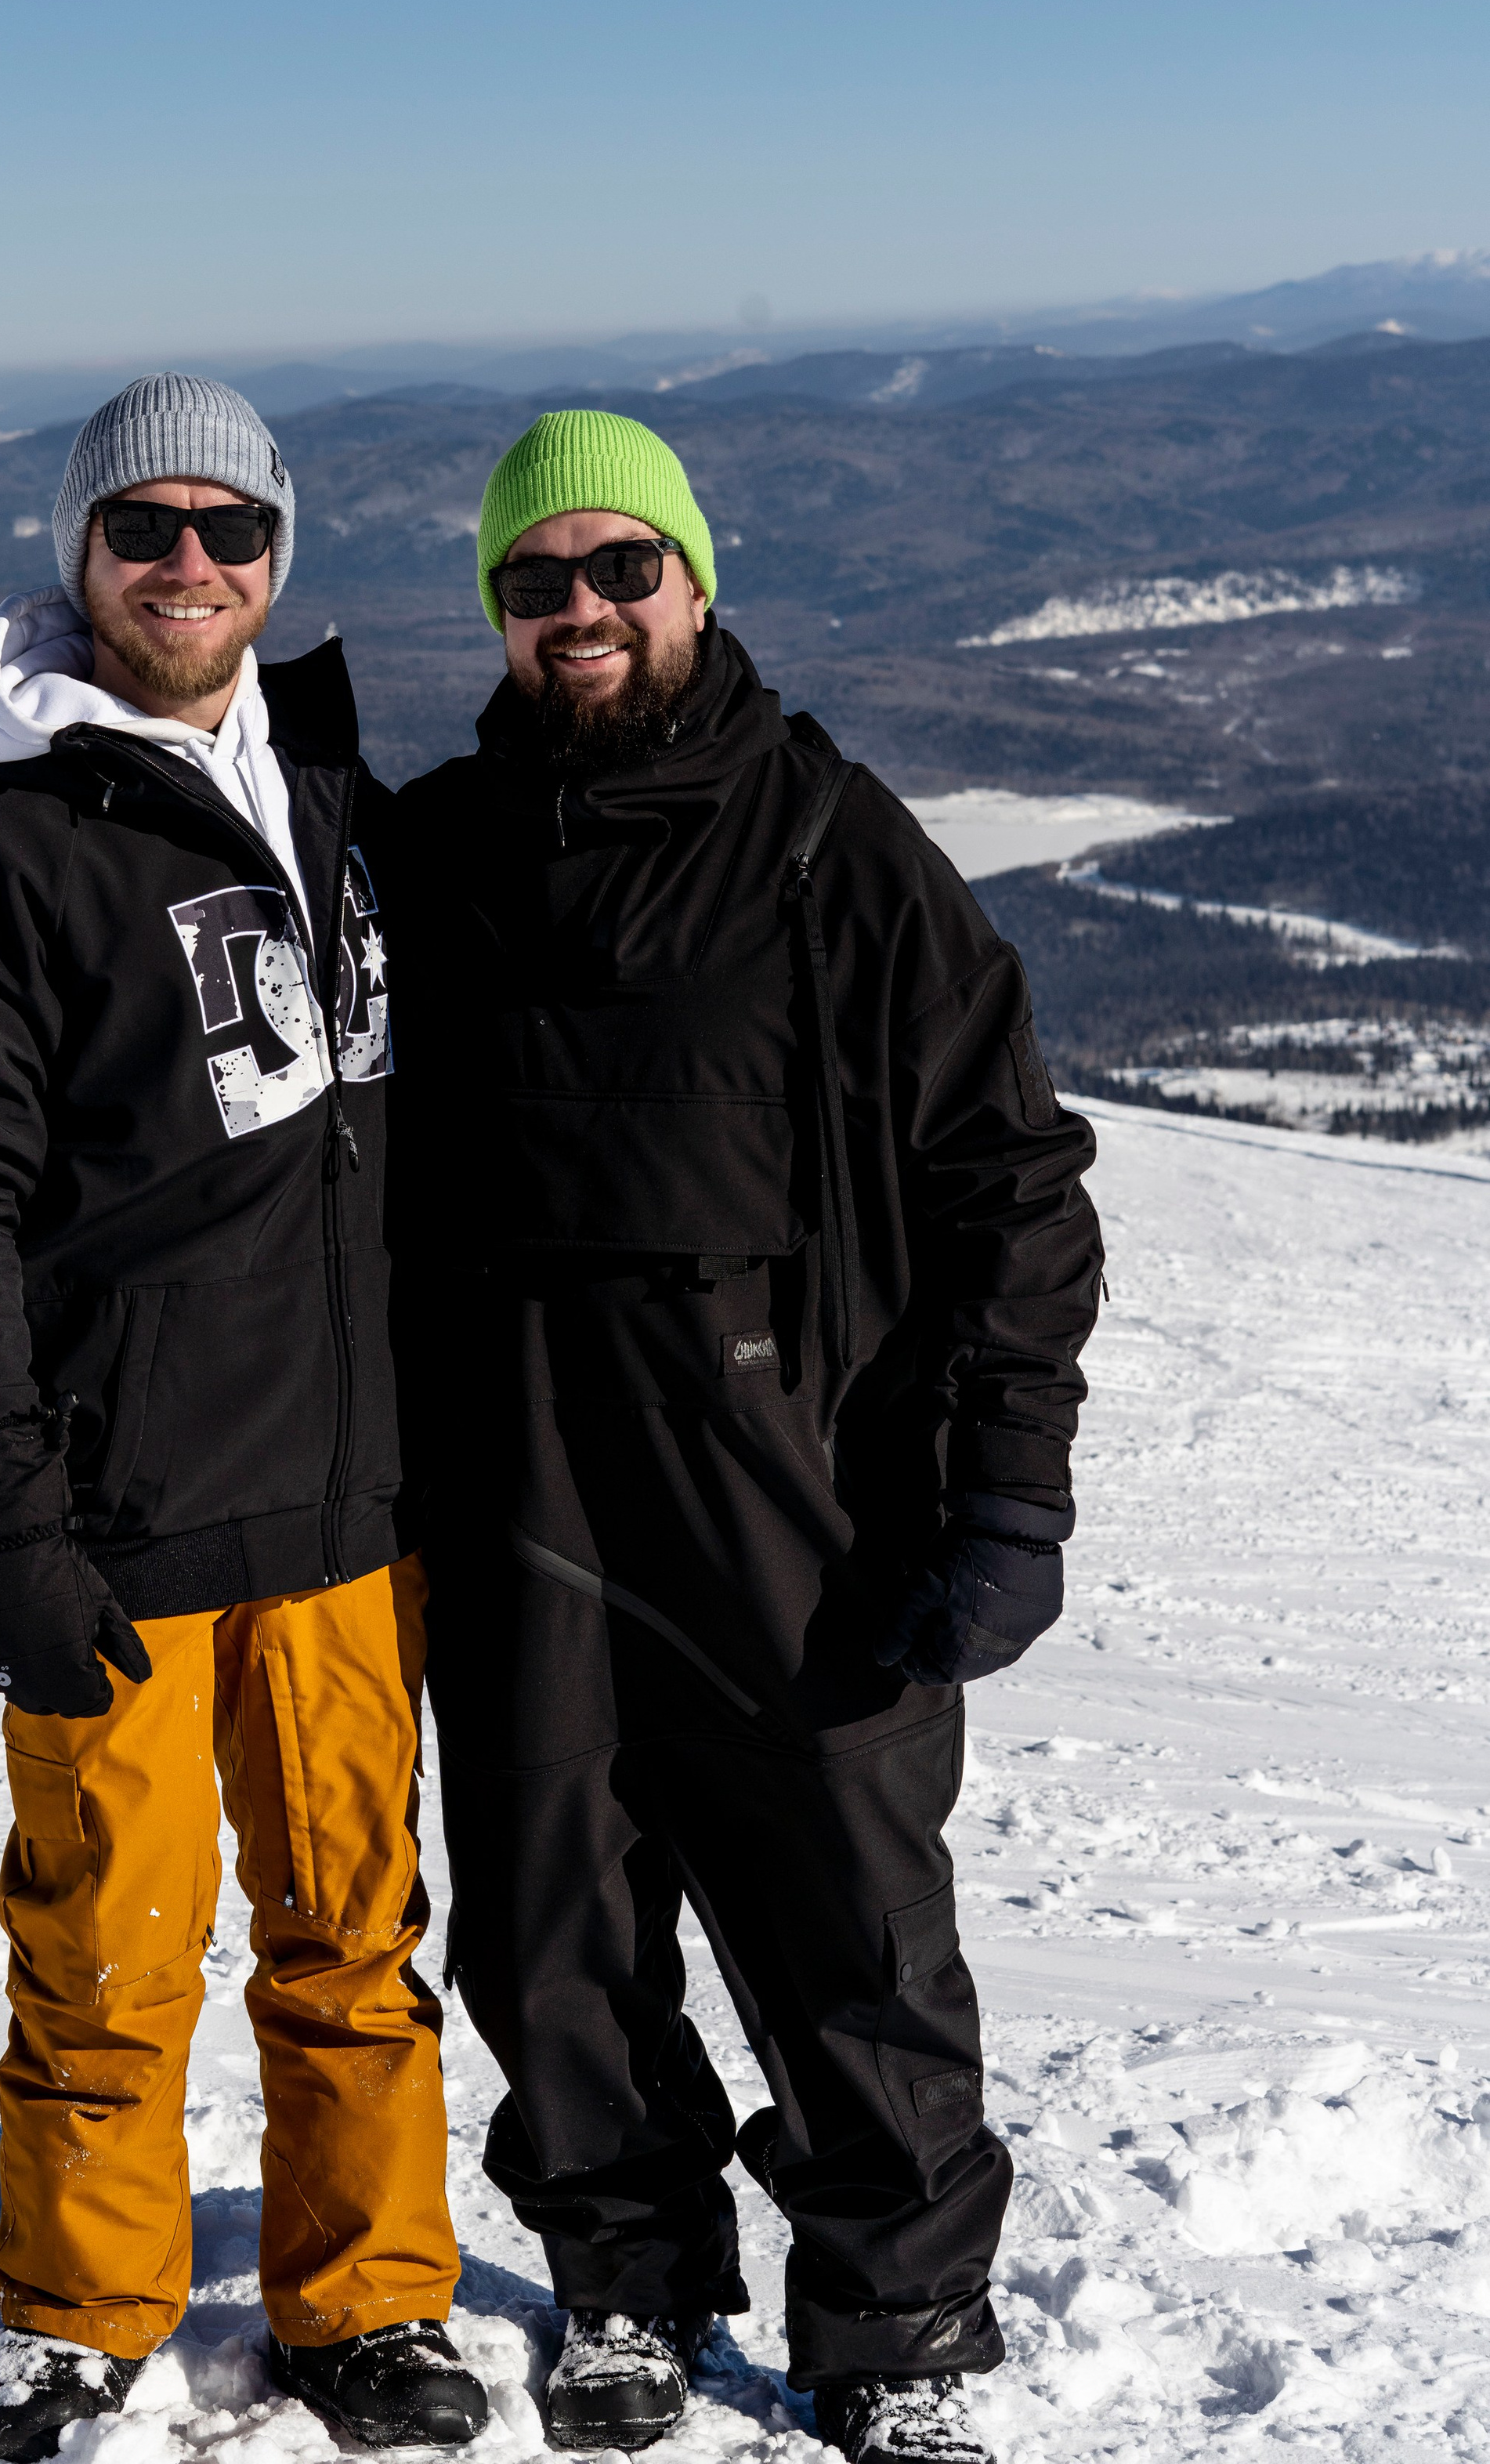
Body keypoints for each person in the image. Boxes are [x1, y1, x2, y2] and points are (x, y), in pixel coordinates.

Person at [390, 409, 1104, 2464]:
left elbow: (1012, 1180)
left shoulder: (830, 842)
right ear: (496, 614)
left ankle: (901, 2330)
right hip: (519, 1480)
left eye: (626, 568)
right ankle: (625, 2279)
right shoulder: (431, 857)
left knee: (850, 1927)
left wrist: (1011, 1484)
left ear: (696, 584)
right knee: (554, 1924)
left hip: (800, 1493)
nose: (585, 609)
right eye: (538, 580)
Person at [0, 376, 489, 2463]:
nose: (191, 564)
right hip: (122, 1514)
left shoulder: (330, 792)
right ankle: (78, 2305)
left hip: (351, 1501)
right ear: (82, 554)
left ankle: (371, 2299)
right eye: (145, 529)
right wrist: (9, 1530)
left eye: (233, 529)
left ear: (280, 555)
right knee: (109, 1947)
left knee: (357, 1937)